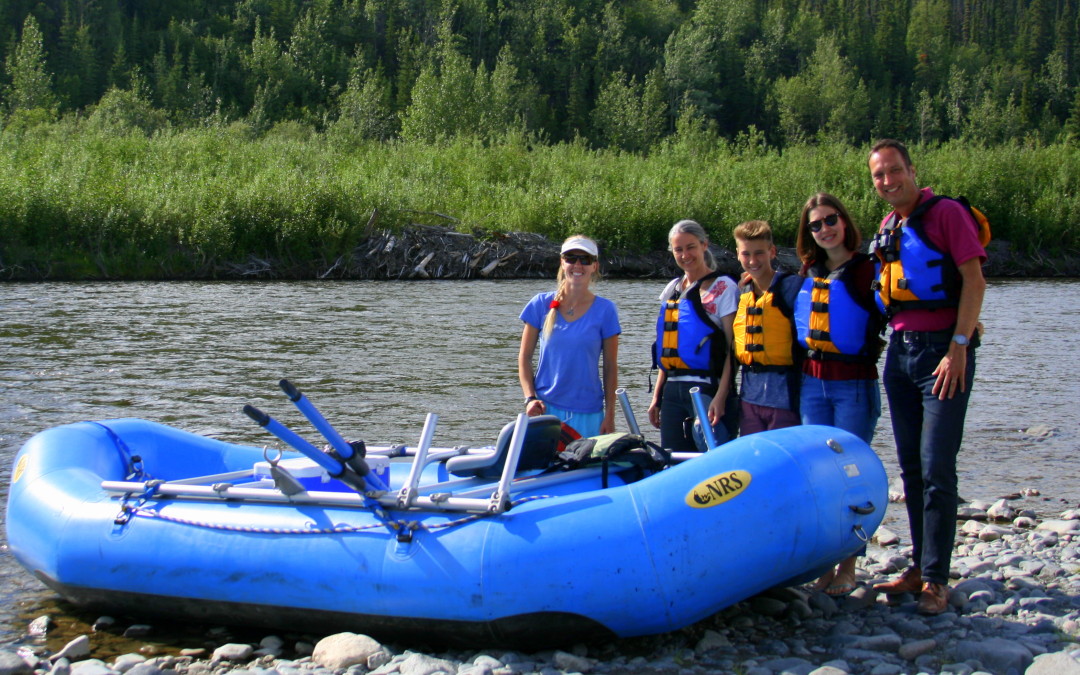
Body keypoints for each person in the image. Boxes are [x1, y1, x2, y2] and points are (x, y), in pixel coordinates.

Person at [867, 139, 987, 615]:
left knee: (937, 466)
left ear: (911, 170)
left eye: (894, 171)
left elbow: (974, 280)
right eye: (879, 175)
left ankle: (937, 580)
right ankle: (920, 566)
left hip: (944, 353)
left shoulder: (947, 215)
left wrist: (959, 346)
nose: (888, 181)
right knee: (912, 468)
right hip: (901, 355)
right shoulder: (889, 224)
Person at [793, 192, 886, 597]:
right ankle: (826, 565)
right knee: (821, 475)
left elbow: (899, 311)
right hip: (813, 382)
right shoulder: (809, 271)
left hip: (854, 383)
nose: (825, 229)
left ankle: (848, 566)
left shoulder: (869, 270)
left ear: (844, 222)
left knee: (852, 473)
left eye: (831, 220)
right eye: (815, 225)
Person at [647, 220, 738, 451]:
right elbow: (666, 348)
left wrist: (721, 396)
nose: (685, 255)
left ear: (704, 245)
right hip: (672, 393)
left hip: (706, 390)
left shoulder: (724, 287)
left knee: (713, 463)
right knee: (674, 461)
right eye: (678, 249)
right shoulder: (672, 290)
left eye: (691, 247)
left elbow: (732, 351)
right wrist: (657, 397)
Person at [518, 235, 621, 438]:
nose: (578, 265)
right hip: (546, 411)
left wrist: (610, 415)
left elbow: (610, 367)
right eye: (571, 258)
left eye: (585, 259)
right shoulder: (540, 304)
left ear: (595, 266)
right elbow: (524, 357)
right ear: (562, 262)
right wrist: (530, 398)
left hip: (590, 414)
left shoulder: (606, 310)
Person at [731, 220, 802, 434]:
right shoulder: (743, 291)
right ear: (737, 254)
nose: (753, 261)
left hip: (785, 400)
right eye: (746, 254)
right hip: (749, 400)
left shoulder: (791, 288)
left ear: (772, 252)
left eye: (759, 253)